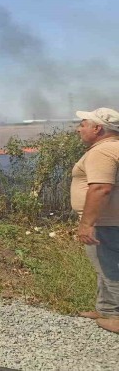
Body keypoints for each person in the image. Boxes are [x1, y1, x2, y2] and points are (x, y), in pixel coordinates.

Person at [72, 107, 119, 333]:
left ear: (97, 128)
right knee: (103, 265)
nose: (78, 129)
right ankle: (107, 310)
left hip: (107, 221)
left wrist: (87, 223)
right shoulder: (113, 148)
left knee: (111, 268)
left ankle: (117, 318)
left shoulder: (102, 152)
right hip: (111, 219)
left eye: (83, 124)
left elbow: (100, 188)